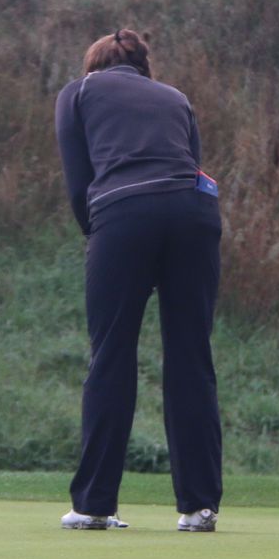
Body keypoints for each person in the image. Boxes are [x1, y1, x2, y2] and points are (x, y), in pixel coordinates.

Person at [53, 29, 223, 533]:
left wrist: (102, 238)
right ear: (145, 68)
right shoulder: (177, 98)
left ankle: (94, 505)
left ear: (94, 65)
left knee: (112, 353)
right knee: (191, 355)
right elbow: (191, 166)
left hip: (123, 216)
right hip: (195, 215)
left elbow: (79, 180)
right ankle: (199, 507)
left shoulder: (79, 92)